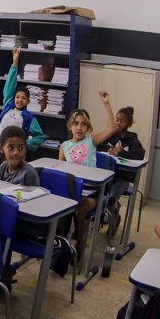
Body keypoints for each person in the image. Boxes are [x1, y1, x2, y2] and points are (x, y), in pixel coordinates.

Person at [59, 94, 118, 251]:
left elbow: (112, 129)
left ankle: (79, 244)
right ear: (70, 126)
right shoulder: (64, 146)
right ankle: (60, 240)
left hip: (92, 194)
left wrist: (106, 103)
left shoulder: (91, 141)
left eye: (83, 124)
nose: (79, 128)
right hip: (73, 190)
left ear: (88, 128)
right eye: (76, 124)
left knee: (81, 207)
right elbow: (60, 172)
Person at [0, 47, 46, 153]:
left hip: (15, 151)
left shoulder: (29, 118)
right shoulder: (8, 105)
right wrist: (15, 62)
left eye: (23, 98)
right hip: (0, 147)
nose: (19, 100)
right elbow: (10, 84)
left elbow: (40, 137)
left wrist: (25, 144)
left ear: (28, 101)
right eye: (17, 97)